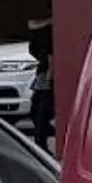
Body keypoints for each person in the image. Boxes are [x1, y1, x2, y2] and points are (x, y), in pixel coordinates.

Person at [25, 15, 54, 150]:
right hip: (43, 73)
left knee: (40, 111)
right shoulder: (45, 32)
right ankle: (42, 139)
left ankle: (41, 141)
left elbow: (50, 56)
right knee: (38, 110)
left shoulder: (47, 34)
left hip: (45, 74)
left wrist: (49, 75)